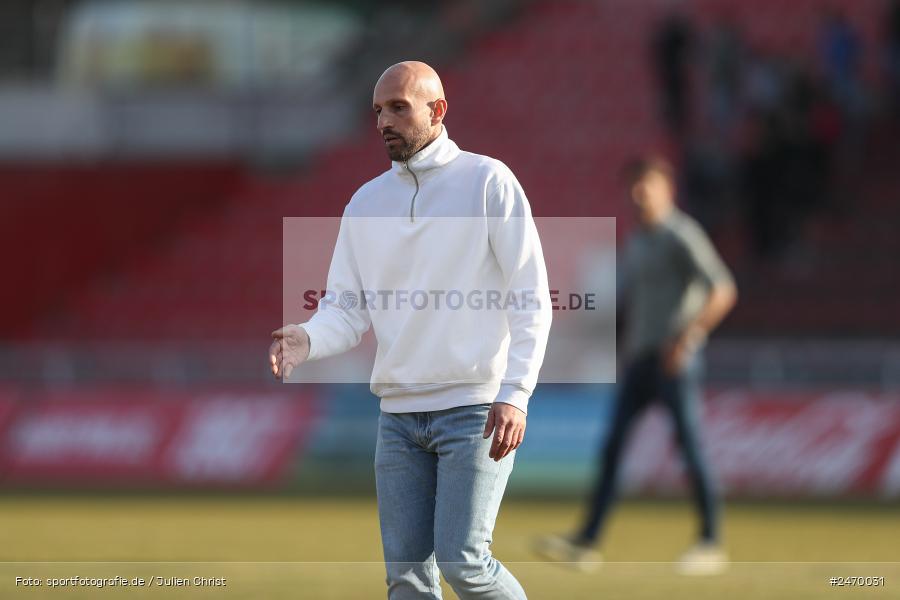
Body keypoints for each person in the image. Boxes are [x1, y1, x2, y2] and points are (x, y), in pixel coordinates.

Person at [269, 61, 552, 599]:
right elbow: (346, 310)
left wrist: (515, 394)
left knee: (465, 563)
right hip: (397, 418)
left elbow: (530, 298)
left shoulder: (488, 181)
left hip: (475, 410)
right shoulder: (365, 203)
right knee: (406, 580)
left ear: (437, 110)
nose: (384, 121)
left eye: (398, 107)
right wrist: (308, 338)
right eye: (378, 110)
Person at [535, 156, 736, 575]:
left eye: (647, 185)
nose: (639, 193)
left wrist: (688, 338)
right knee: (612, 450)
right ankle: (587, 542)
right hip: (639, 360)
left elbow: (722, 289)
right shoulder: (636, 241)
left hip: (673, 360)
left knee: (690, 449)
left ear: (668, 189)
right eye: (634, 185)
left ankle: (710, 543)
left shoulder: (681, 234)